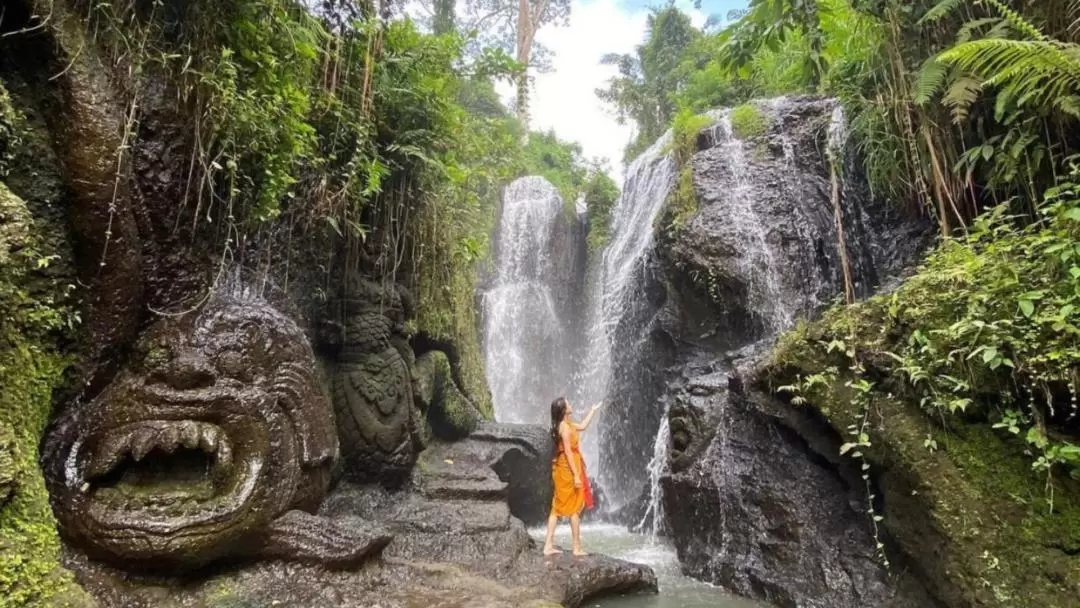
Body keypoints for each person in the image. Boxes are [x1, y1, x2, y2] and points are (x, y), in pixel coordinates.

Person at [542, 396, 603, 557]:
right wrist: (576, 475)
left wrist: (592, 411)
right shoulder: (564, 427)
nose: (571, 404)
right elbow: (568, 452)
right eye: (568, 403)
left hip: (567, 467)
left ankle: (549, 545)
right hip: (567, 469)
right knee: (573, 508)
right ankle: (576, 548)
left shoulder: (566, 424)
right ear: (563, 410)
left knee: (559, 507)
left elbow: (582, 426)